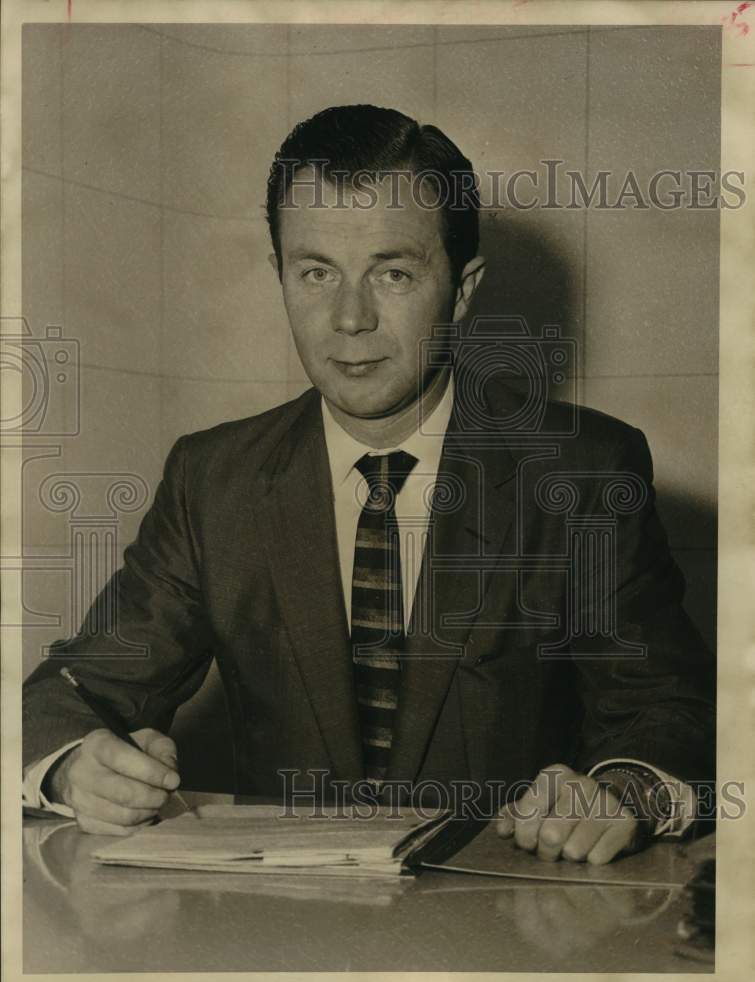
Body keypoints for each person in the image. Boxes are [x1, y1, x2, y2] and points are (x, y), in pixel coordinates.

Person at [22, 105, 715, 864]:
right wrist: (70, 766)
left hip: (504, 927)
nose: (348, 319)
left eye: (392, 273)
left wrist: (621, 789)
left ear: (460, 287)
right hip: (285, 940)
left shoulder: (585, 471)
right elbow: (73, 689)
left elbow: (664, 711)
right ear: (280, 275)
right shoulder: (212, 477)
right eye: (315, 272)